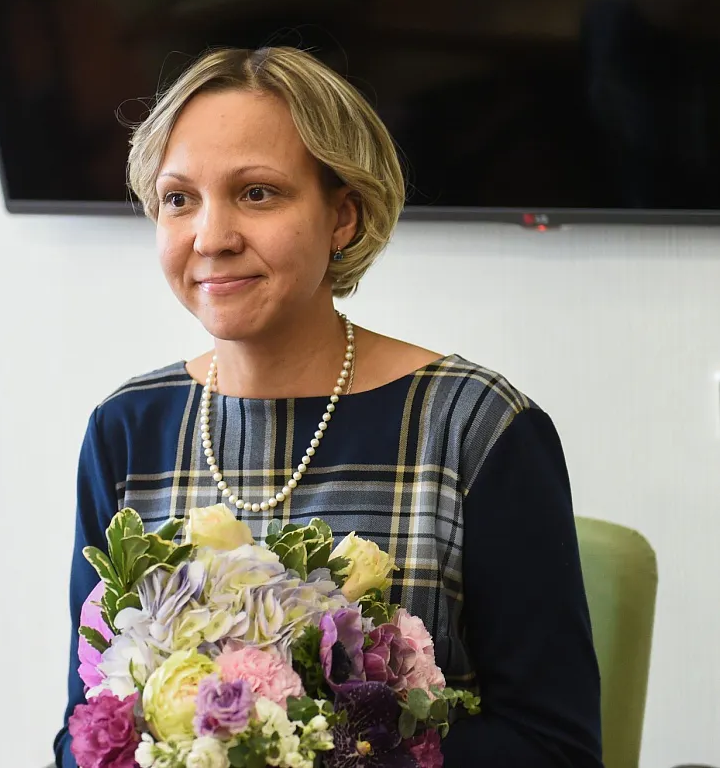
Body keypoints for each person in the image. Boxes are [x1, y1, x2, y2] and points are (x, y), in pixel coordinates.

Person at [54, 46, 602, 768]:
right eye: (179, 199)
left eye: (257, 193)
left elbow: (555, 749)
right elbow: (85, 733)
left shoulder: (478, 427)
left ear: (343, 216)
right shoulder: (127, 429)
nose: (211, 238)